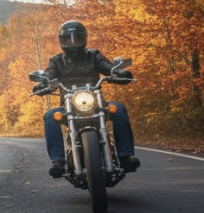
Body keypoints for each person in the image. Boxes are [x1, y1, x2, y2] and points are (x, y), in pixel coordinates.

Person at [34, 20, 140, 178]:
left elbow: (107, 66)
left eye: (76, 39)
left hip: (97, 105)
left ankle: (125, 156)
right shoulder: (56, 61)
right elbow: (49, 74)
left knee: (119, 109)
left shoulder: (94, 55)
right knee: (50, 116)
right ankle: (58, 161)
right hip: (68, 107)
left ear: (83, 39)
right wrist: (43, 83)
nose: (72, 43)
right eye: (68, 39)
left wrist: (118, 72)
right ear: (61, 41)